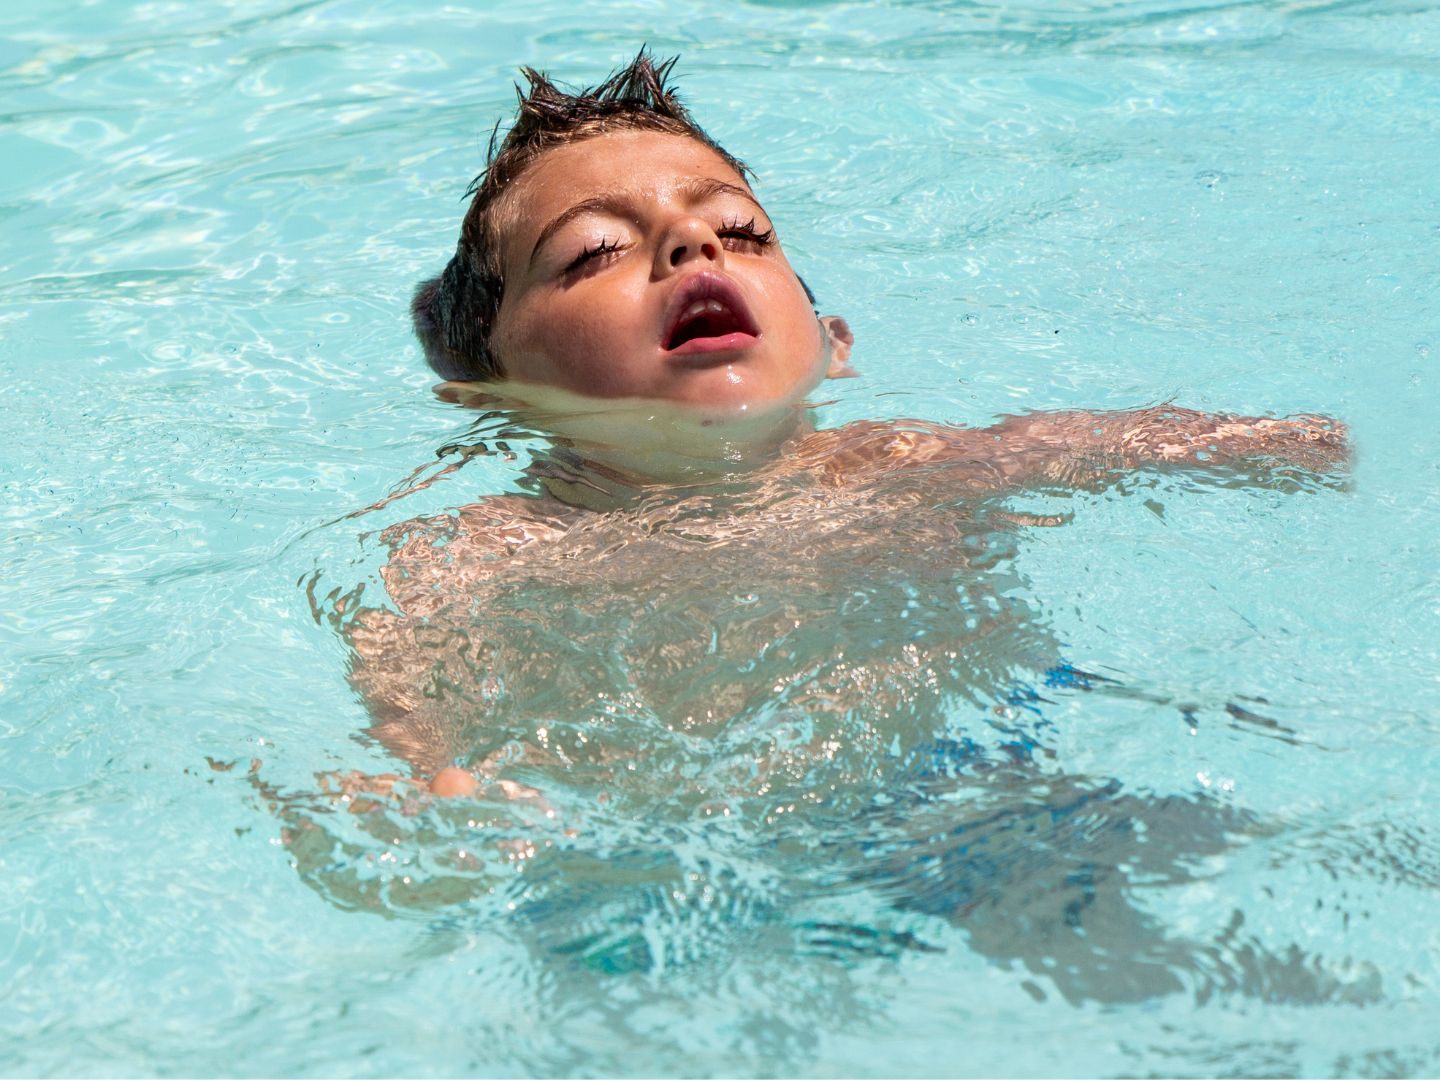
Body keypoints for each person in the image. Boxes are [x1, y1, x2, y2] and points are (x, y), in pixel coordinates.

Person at [339, 50, 1346, 800]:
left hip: (991, 775)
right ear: (490, 391)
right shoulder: (498, 548)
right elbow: (406, 670)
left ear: (834, 343)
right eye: (595, 250)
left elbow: (1151, 441)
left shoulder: (905, 462)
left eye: (742, 232)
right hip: (649, 849)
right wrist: (432, 777)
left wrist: (1296, 444)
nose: (693, 243)